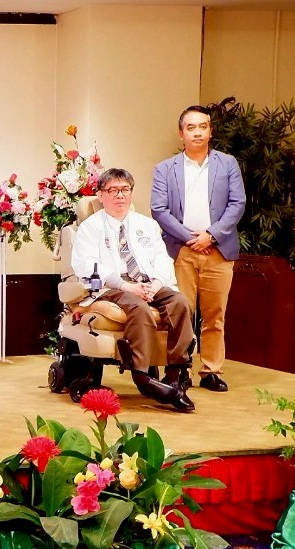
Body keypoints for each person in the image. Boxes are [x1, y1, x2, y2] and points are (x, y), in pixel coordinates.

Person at [72, 168, 195, 412]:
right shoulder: (90, 227)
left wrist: (155, 284)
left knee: (181, 302)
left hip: (149, 282)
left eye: (125, 190)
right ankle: (141, 375)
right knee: (139, 308)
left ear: (131, 193)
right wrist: (127, 286)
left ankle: (174, 377)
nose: (120, 196)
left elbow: (162, 259)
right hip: (112, 286)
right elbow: (87, 265)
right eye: (113, 190)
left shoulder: (147, 225)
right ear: (101, 195)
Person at [151, 105, 247, 393]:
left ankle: (211, 370)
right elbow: (159, 209)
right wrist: (190, 238)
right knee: (179, 314)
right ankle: (179, 369)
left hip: (219, 250)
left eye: (202, 127)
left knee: (215, 316)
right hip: (181, 250)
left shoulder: (227, 164)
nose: (197, 132)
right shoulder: (165, 169)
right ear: (181, 134)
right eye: (190, 127)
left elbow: (237, 204)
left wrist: (211, 236)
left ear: (210, 131)